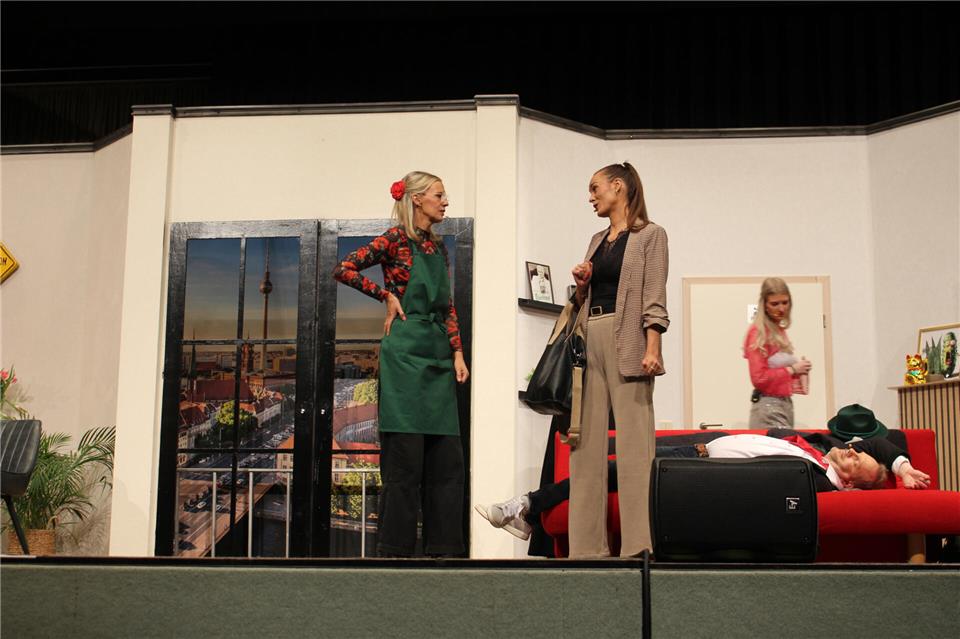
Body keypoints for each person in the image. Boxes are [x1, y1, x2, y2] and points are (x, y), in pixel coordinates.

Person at [333, 171, 469, 557]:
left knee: (446, 463)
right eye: (439, 195)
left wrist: (457, 352)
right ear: (417, 200)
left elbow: (449, 307)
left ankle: (445, 549)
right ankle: (395, 550)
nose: (445, 202)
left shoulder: (437, 248)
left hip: (439, 355)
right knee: (404, 464)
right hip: (405, 354)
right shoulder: (394, 240)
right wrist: (385, 296)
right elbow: (343, 268)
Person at [476, 428, 931, 540]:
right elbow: (880, 439)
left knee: (613, 470)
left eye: (857, 463)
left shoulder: (818, 486)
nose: (852, 453)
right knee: (609, 463)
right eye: (855, 451)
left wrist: (889, 475)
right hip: (697, 448)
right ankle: (531, 514)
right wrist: (901, 465)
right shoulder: (819, 446)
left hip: (697, 472)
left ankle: (525, 507)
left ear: (850, 485)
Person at [567, 162, 669, 558]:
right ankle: (587, 549)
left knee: (635, 449)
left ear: (618, 187)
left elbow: (654, 293)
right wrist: (581, 285)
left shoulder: (651, 236)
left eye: (595, 188)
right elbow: (583, 302)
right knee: (584, 445)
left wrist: (653, 345)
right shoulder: (596, 239)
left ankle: (638, 547)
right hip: (589, 337)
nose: (591, 196)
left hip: (629, 341)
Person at [744, 277, 812, 428]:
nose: (781, 308)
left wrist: (800, 370)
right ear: (764, 305)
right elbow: (759, 378)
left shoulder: (778, 330)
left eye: (785, 302)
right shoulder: (758, 333)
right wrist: (793, 369)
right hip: (768, 407)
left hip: (784, 403)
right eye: (775, 304)